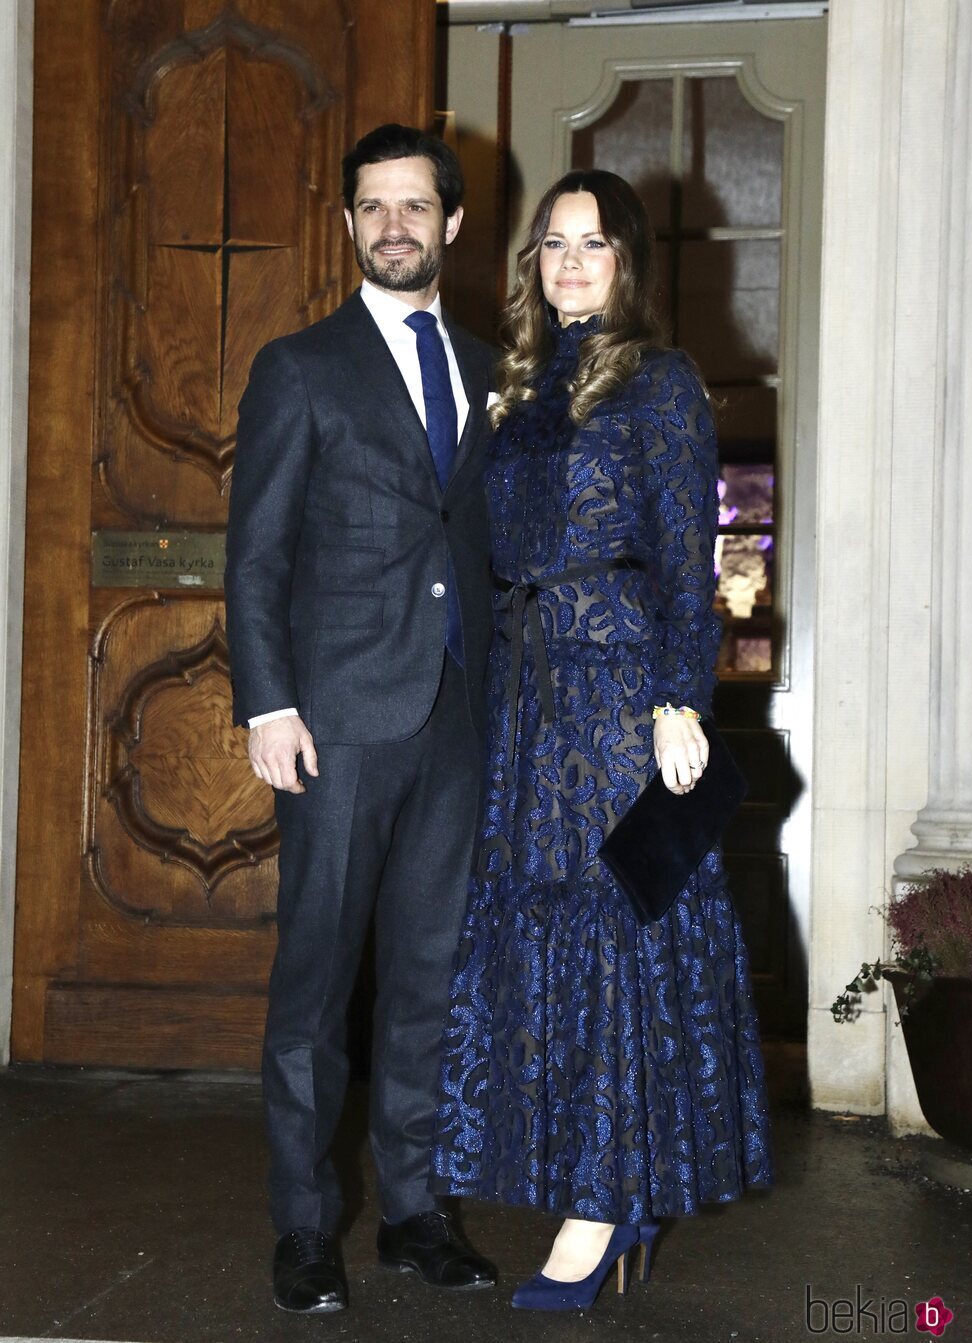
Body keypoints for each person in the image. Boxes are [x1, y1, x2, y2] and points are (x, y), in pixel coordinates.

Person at [429, 169, 773, 1311]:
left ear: (628, 260)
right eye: (551, 244)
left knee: (619, 934)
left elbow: (687, 553)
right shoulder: (518, 385)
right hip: (529, 701)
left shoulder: (662, 383)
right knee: (541, 944)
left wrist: (681, 701)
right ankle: (592, 1177)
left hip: (619, 693)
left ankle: (605, 1198)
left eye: (593, 244)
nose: (570, 262)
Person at [225, 124, 498, 1314]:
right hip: (335, 718)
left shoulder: (493, 368)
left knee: (427, 977)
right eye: (373, 208)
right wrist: (268, 703)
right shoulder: (299, 367)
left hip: (455, 714)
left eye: (415, 206)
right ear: (349, 227)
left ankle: (414, 1208)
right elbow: (256, 553)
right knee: (319, 978)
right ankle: (302, 1225)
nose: (395, 225)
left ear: (451, 224)